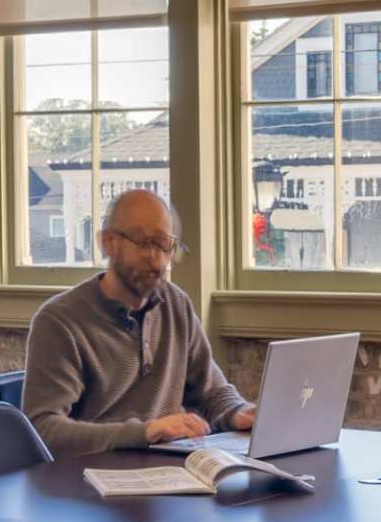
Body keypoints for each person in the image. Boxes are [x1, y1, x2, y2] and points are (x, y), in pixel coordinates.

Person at [18, 188, 255, 458]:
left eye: (164, 245)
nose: (156, 259)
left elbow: (211, 391)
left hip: (168, 477)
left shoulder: (176, 305)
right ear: (108, 242)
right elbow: (43, 430)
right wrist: (145, 432)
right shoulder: (60, 321)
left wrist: (239, 412)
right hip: (91, 483)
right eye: (143, 243)